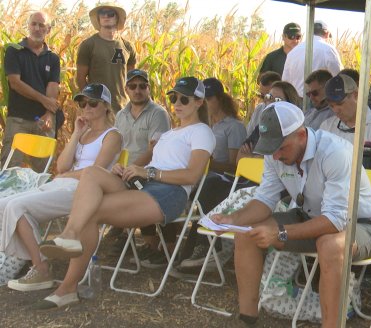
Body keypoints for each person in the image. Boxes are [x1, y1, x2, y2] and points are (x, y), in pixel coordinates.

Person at [35, 77, 215, 309]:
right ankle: (69, 239)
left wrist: (148, 172)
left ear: (199, 102)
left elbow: (191, 175)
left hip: (169, 193)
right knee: (91, 173)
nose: (176, 103)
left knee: (91, 213)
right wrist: (126, 170)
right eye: (173, 98)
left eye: (183, 99)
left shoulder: (202, 132)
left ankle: (67, 284)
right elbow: (147, 164)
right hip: (143, 184)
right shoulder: (170, 133)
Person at [212, 101, 371, 327]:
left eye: (280, 147)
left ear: (301, 135)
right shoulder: (274, 153)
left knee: (330, 244)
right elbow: (265, 200)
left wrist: (281, 233)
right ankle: (247, 318)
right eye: (269, 147)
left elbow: (336, 220)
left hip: (362, 226)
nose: (274, 156)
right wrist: (232, 219)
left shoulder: (336, 152)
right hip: (310, 216)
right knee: (247, 232)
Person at [0, 83, 121, 291]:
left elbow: (96, 172)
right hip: (63, 184)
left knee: (16, 207)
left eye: (93, 103)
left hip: (84, 191)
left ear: (106, 107)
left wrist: (66, 175)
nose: (86, 108)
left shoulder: (112, 135)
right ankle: (28, 263)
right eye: (83, 104)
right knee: (4, 204)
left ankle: (41, 269)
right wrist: (76, 134)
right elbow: (62, 165)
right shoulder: (83, 134)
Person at [174, 77, 247, 270]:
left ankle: (203, 248)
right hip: (203, 175)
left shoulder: (234, 127)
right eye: (201, 99)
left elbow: (236, 166)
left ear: (220, 99)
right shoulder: (205, 126)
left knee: (208, 184)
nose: (205, 103)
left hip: (225, 180)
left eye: (209, 98)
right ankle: (180, 251)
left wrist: (208, 163)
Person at [105, 69, 172, 258]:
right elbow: (117, 148)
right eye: (133, 86)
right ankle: (122, 231)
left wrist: (132, 169)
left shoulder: (158, 114)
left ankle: (122, 228)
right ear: (126, 89)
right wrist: (117, 166)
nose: (138, 90)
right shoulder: (120, 115)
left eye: (142, 86)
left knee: (137, 185)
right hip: (126, 168)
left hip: (149, 170)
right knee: (97, 179)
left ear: (149, 88)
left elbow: (154, 151)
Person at [1, 11, 60, 172]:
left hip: (43, 121)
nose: (36, 28)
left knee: (42, 172)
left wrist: (49, 113)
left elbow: (53, 85)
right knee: (9, 169)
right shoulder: (14, 51)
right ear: (28, 26)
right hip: (18, 120)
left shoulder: (53, 58)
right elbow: (15, 83)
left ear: (48, 30)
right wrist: (44, 100)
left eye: (41, 25)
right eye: (33, 24)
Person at [320, 74, 371, 171]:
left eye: (340, 104)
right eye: (331, 106)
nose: (336, 110)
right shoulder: (326, 126)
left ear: (356, 95)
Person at [76, 3, 137, 113]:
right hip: (98, 109)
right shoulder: (88, 45)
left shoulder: (128, 46)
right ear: (98, 18)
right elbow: (80, 79)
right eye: (102, 13)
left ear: (117, 18)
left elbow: (132, 80)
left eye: (110, 14)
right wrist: (91, 102)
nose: (105, 16)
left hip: (123, 108)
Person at [239, 80, 301, 163]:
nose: (271, 102)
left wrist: (251, 158)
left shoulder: (292, 131)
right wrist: (258, 159)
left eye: (278, 100)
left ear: (290, 104)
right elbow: (239, 158)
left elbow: (277, 162)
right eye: (269, 97)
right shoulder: (261, 127)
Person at [282, 20, 343, 97]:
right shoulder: (328, 50)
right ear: (327, 34)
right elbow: (339, 77)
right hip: (317, 100)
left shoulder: (293, 52)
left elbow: (285, 81)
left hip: (295, 101)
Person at [246, 71, 281, 136]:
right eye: (262, 96)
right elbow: (248, 133)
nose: (265, 100)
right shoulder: (259, 109)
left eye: (268, 96)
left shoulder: (284, 111)